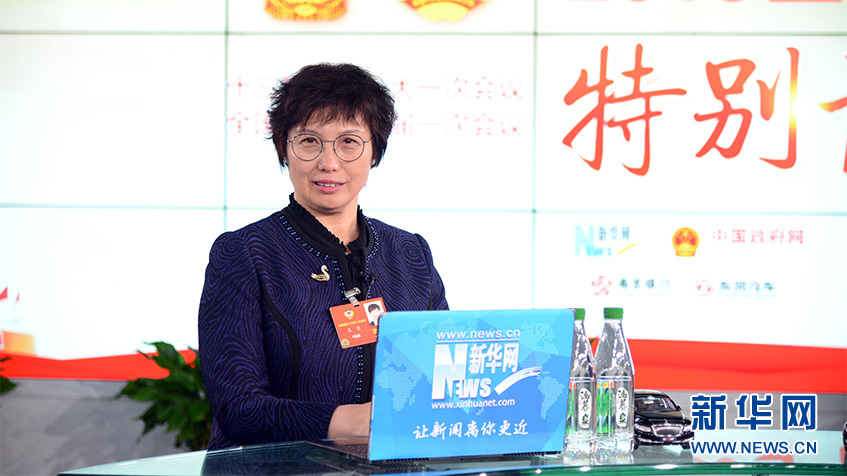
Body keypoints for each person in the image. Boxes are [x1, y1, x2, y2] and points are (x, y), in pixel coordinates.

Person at [198, 63, 449, 451]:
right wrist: (351, 423)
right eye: (309, 141)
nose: (328, 162)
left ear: (375, 151)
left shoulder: (411, 254)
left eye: (349, 142)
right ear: (284, 148)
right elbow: (239, 408)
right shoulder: (244, 254)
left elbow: (445, 380)